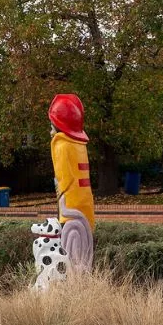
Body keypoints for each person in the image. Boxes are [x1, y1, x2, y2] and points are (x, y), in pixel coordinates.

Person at [48, 94, 95, 274]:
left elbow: (64, 181)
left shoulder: (63, 146)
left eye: (52, 126)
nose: (51, 132)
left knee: (71, 247)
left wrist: (62, 202)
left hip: (71, 208)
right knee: (83, 248)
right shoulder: (79, 145)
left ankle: (73, 282)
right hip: (84, 206)